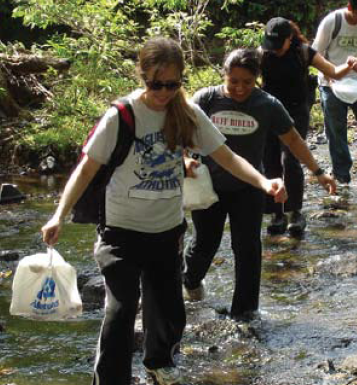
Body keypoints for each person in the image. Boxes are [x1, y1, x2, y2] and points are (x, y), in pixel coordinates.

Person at [40, 38, 287, 385]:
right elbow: (86, 169)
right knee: (122, 309)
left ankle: (159, 367)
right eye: (156, 84)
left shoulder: (187, 113)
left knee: (168, 313)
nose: (164, 92)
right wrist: (58, 214)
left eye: (172, 84)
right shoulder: (121, 116)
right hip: (120, 232)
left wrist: (264, 182)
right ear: (142, 76)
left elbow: (227, 157)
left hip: (167, 231)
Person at [182, 49, 336, 319]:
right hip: (210, 188)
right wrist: (184, 159)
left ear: (257, 79)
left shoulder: (267, 105)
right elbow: (180, 134)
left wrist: (318, 171)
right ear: (224, 75)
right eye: (234, 81)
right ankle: (191, 282)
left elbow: (294, 140)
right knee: (204, 245)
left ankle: (245, 313)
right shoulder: (206, 99)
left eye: (247, 82)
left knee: (248, 250)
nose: (240, 88)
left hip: (250, 187)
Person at [260, 17, 357, 236]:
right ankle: (276, 213)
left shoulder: (303, 52)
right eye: (271, 45)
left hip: (296, 112)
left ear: (290, 39)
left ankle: (295, 212)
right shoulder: (261, 54)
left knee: (291, 159)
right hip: (267, 111)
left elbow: (333, 72)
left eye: (279, 45)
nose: (274, 50)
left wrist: (350, 65)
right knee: (270, 159)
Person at [311, 0, 357, 188]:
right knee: (336, 132)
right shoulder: (332, 22)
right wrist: (329, 77)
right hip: (331, 83)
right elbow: (316, 55)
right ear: (349, 7)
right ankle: (342, 176)